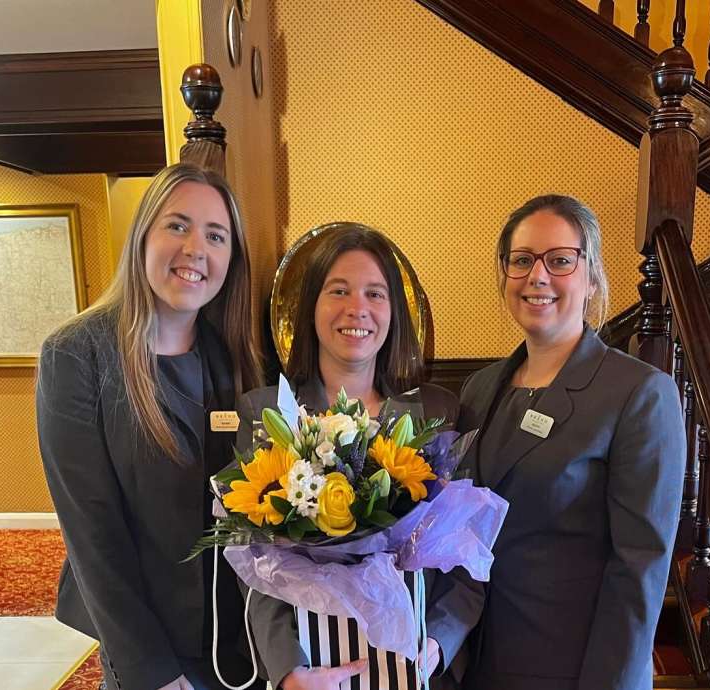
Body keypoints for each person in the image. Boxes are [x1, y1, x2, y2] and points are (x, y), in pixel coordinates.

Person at [36, 163, 265, 690]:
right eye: (177, 226)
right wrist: (152, 674)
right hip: (146, 645)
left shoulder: (235, 358)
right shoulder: (77, 354)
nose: (195, 250)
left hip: (237, 642)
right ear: (143, 236)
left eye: (216, 236)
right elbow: (93, 535)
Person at [236, 224, 479, 690]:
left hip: (413, 660)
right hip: (311, 667)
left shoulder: (436, 412)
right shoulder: (266, 413)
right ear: (310, 308)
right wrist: (287, 669)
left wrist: (440, 643)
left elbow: (464, 551)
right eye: (339, 291)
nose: (358, 309)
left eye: (375, 293)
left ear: (394, 312)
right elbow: (252, 561)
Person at [457, 195, 686, 690]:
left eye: (560, 260)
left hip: (572, 670)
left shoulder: (639, 393)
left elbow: (639, 569)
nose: (538, 276)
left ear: (591, 277)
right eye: (521, 261)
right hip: (473, 662)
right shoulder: (479, 388)